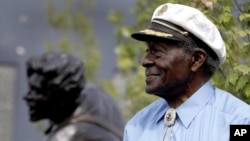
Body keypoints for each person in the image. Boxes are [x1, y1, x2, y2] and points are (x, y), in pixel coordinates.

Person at [123, 3, 250, 141]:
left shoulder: (239, 122)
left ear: (196, 59)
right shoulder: (138, 126)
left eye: (157, 51)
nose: (145, 61)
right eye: (148, 50)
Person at [23, 52, 125, 141]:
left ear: (58, 98)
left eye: (37, 91)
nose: (27, 97)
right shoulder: (93, 96)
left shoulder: (68, 136)